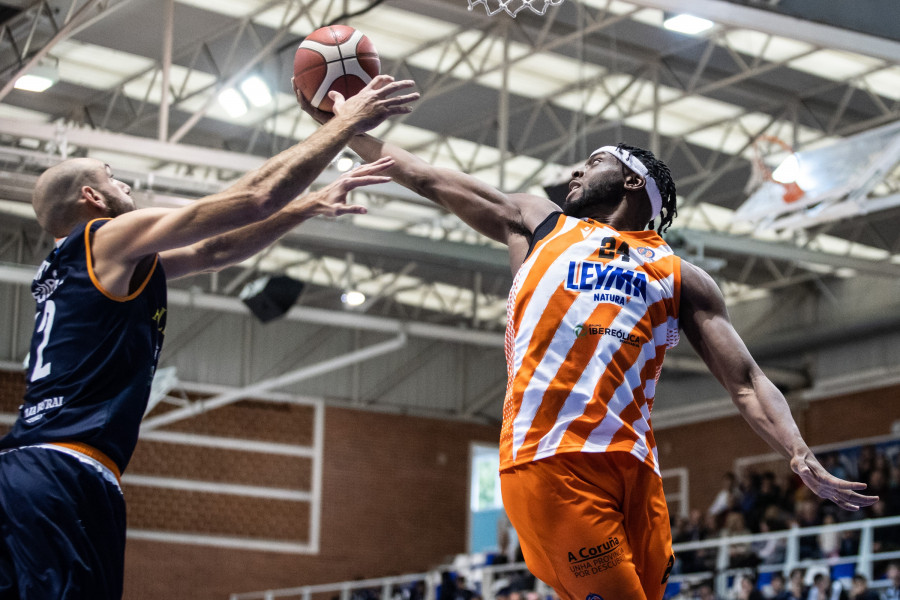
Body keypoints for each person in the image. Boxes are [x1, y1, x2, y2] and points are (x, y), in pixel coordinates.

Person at [298, 86, 880, 600]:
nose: (575, 172)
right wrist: (346, 128)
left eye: (592, 161)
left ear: (633, 180)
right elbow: (428, 176)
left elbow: (747, 380)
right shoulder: (540, 222)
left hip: (636, 470)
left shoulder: (683, 277)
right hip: (550, 459)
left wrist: (798, 451)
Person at [0, 75, 418, 599]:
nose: (125, 185)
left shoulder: (77, 266)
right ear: (91, 196)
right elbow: (254, 197)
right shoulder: (103, 238)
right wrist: (347, 122)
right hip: (61, 470)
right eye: (113, 177)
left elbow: (213, 253)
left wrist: (305, 207)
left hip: (37, 468)